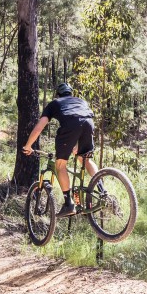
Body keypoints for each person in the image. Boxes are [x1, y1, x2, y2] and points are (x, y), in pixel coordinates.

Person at [23, 82, 98, 217]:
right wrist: (78, 145)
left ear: (57, 94)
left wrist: (28, 145)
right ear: (71, 93)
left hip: (71, 126)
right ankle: (102, 190)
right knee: (84, 159)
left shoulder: (54, 104)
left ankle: (69, 204)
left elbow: (39, 127)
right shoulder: (80, 101)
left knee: (60, 164)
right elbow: (84, 120)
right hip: (89, 124)